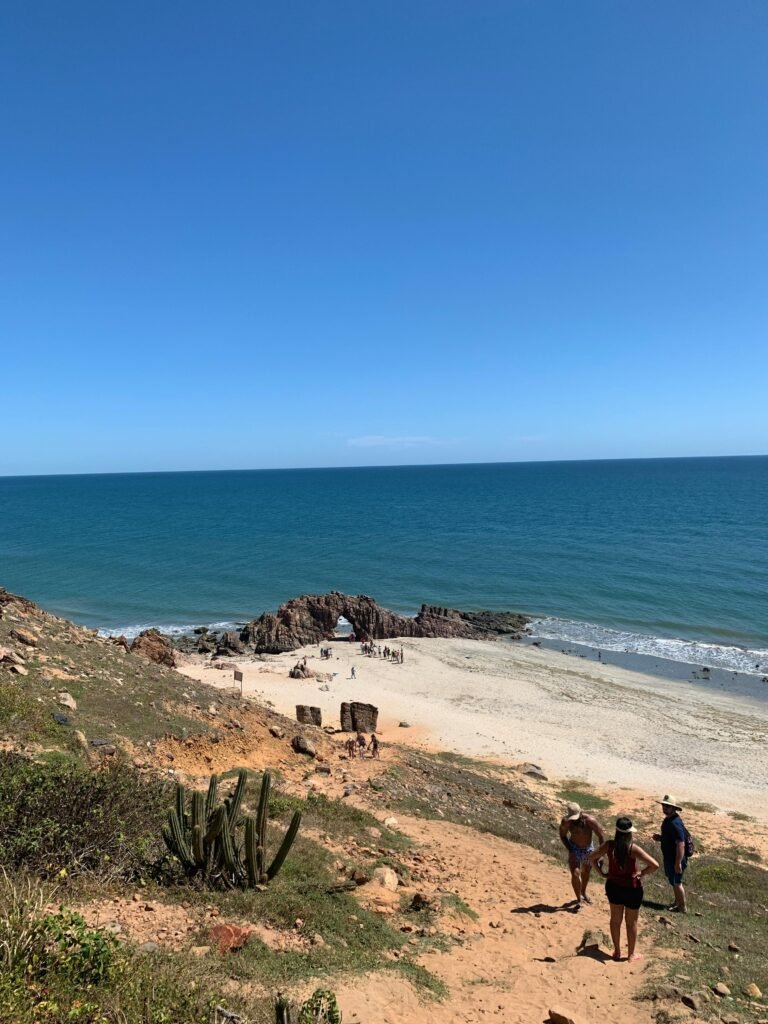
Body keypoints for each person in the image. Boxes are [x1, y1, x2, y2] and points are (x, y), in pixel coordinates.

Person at [590, 816, 659, 962]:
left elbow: (592, 858)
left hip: (614, 886)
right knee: (631, 922)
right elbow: (655, 865)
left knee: (615, 920)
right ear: (629, 833)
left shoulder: (609, 845)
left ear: (616, 831)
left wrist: (602, 873)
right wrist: (642, 873)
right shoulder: (633, 848)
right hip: (632, 889)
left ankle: (617, 951)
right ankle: (631, 954)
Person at [559, 802, 606, 907]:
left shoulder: (590, 821)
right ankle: (578, 899)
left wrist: (601, 854)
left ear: (580, 813)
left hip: (588, 849)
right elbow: (562, 835)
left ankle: (583, 892)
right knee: (575, 874)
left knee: (586, 872)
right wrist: (570, 849)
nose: (575, 820)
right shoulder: (566, 822)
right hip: (574, 848)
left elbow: (601, 835)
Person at [652, 795, 688, 913]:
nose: (664, 808)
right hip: (670, 857)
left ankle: (682, 907)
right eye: (663, 805)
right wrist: (661, 838)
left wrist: (678, 863)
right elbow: (671, 839)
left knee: (677, 882)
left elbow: (681, 844)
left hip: (675, 859)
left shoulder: (675, 823)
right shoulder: (669, 820)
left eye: (667, 806)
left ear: (673, 808)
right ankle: (677, 903)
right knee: (673, 881)